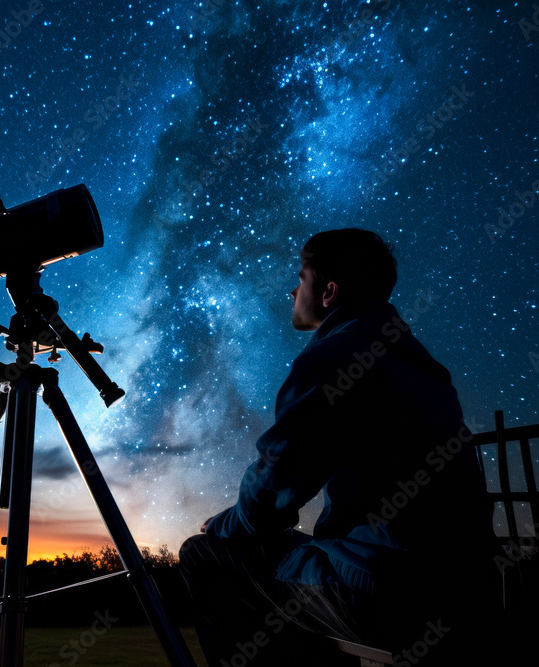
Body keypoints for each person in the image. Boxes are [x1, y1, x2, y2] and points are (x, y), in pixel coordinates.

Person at [179, 228, 498, 666]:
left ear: (328, 291)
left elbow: (274, 489)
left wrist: (227, 525)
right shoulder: (418, 364)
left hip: (391, 590)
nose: (293, 290)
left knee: (204, 554)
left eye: (301, 277)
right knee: (289, 547)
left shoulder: (334, 358)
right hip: (467, 583)